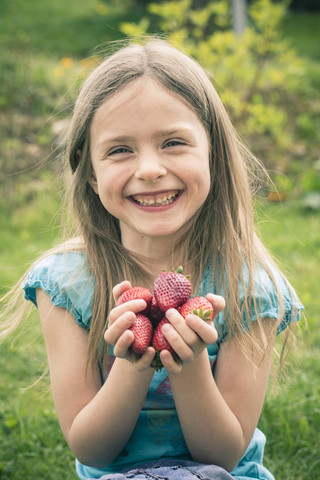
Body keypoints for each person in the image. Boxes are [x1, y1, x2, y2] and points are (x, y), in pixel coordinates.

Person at [1, 38, 303, 480]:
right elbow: (92, 448)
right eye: (120, 149)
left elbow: (222, 454)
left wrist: (190, 363)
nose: (148, 169)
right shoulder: (67, 285)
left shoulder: (250, 289)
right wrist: (131, 364)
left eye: (173, 142)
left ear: (214, 155)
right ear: (89, 170)